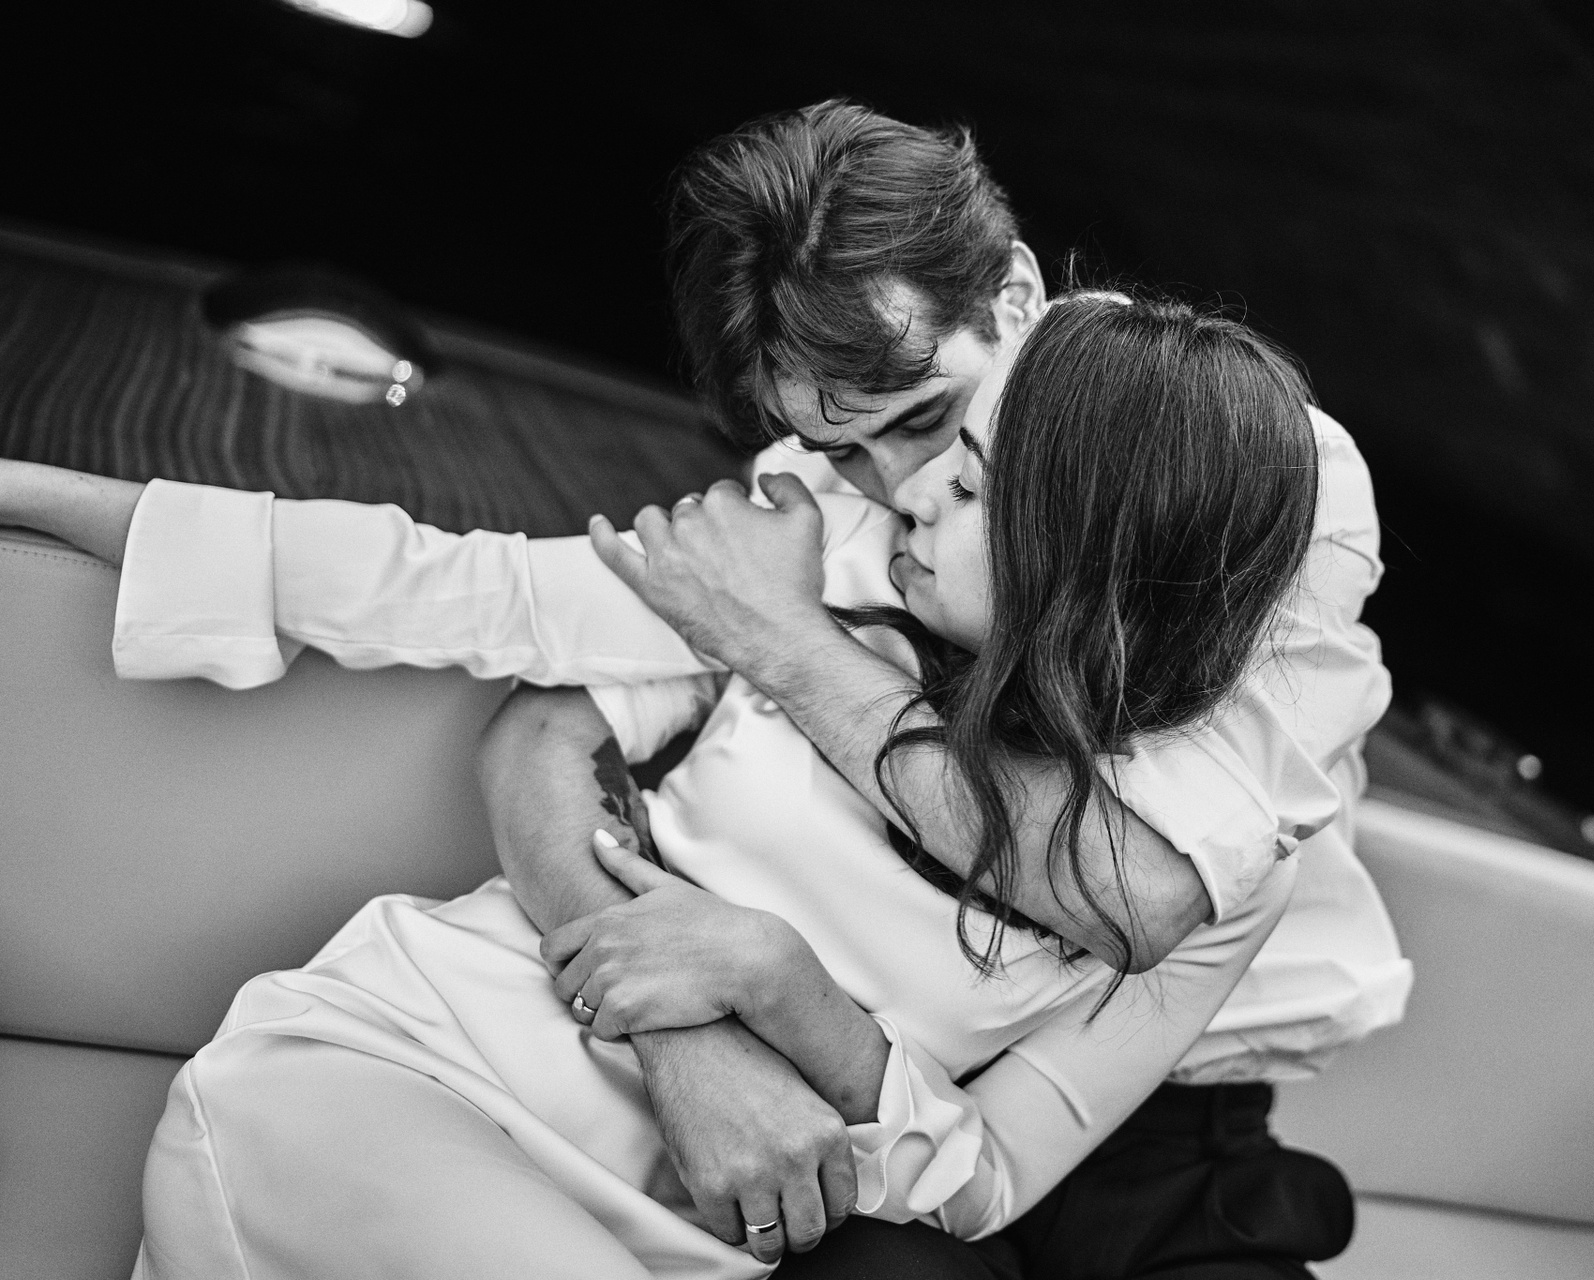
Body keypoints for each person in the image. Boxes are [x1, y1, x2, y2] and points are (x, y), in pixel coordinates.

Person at [0, 292, 1351, 1278]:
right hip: (408, 1078)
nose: (912, 492)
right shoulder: (807, 573)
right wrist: (42, 495)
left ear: (1086, 554)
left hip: (691, 1239)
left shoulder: (1204, 870)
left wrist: (784, 984)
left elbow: (986, 1173)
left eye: (973, 483)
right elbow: (450, 595)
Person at [472, 102, 1408, 1275]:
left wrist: (785, 641)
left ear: (1016, 297)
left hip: (1167, 1106)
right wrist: (684, 1032)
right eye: (844, 447)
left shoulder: (1247, 460)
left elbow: (1134, 898)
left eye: (929, 419)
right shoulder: (824, 466)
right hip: (853, 1063)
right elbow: (546, 729)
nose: (898, 485)